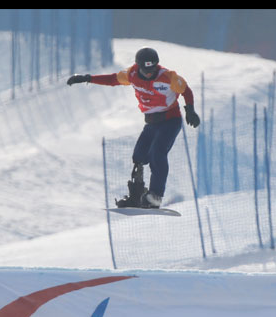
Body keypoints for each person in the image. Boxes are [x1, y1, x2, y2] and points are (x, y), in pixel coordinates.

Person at [67, 47, 200, 208]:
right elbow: (112, 79)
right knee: (139, 156)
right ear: (138, 66)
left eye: (152, 69)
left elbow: (186, 90)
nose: (149, 73)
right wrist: (87, 78)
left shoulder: (167, 77)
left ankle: (155, 196)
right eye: (145, 70)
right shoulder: (131, 74)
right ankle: (137, 196)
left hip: (170, 121)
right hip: (151, 123)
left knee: (157, 153)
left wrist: (190, 110)